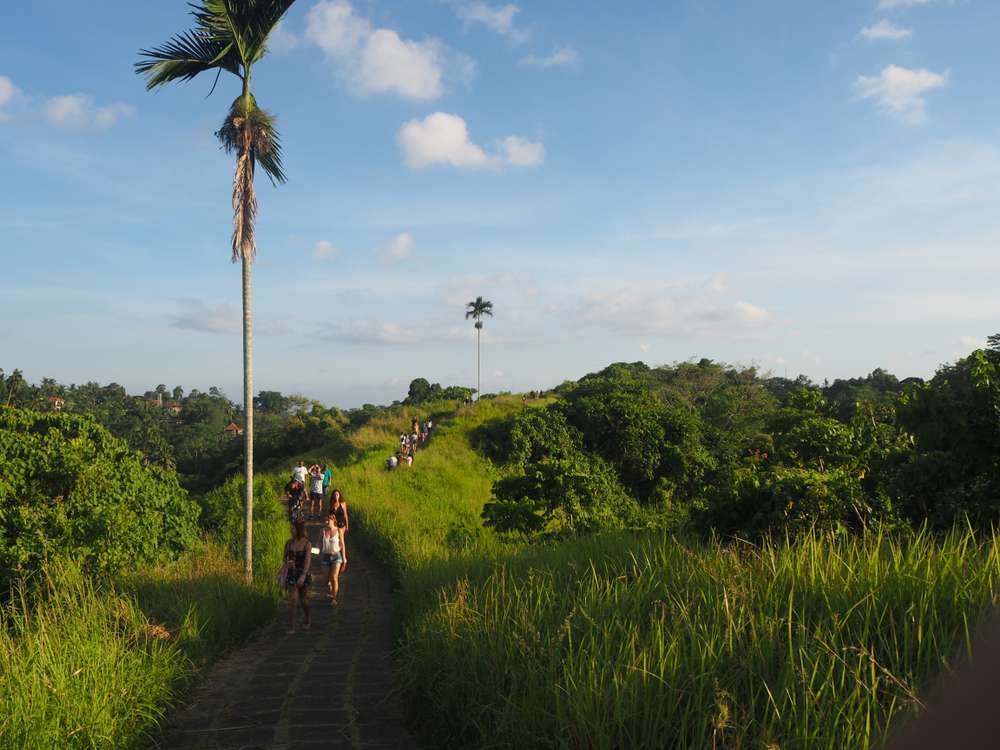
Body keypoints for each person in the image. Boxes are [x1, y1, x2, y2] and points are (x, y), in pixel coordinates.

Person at [281, 519, 312, 633]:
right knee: (293, 600)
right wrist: (287, 563)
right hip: (291, 574)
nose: (291, 530)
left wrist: (303, 575)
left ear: (298, 529)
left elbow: (307, 561)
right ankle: (291, 627)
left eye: (293, 528)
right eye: (291, 528)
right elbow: (284, 558)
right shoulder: (288, 543)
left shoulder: (307, 543)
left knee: (303, 600)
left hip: (302, 573)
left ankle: (307, 616)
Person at [320, 510, 346, 604]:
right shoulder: (322, 530)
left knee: (334, 577)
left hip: (336, 556)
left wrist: (344, 558)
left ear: (333, 520)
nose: (326, 522)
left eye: (328, 520)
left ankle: (334, 598)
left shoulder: (338, 530)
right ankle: (330, 587)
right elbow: (318, 544)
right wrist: (313, 552)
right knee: (325, 579)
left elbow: (342, 544)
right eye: (325, 520)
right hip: (325, 556)